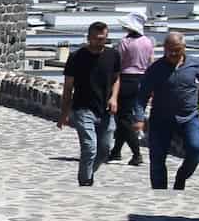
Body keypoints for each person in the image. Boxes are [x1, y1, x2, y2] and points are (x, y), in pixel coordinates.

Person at [137, 30, 199, 191]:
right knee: (157, 158)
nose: (173, 53)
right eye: (169, 50)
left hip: (189, 117)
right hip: (161, 119)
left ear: (184, 47)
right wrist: (139, 118)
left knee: (195, 149)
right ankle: (160, 192)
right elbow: (142, 95)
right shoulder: (155, 68)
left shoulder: (195, 65)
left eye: (177, 49)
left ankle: (181, 178)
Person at [59, 21, 121, 186]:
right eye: (95, 38)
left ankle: (88, 173)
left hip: (105, 110)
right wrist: (64, 113)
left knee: (104, 150)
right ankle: (85, 181)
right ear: (88, 37)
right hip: (83, 108)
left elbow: (116, 79)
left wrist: (114, 97)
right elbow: (68, 88)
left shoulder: (113, 55)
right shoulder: (76, 57)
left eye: (102, 38)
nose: (99, 42)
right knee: (89, 147)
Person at [112, 11, 154, 167]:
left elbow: (118, 62)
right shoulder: (148, 42)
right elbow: (151, 62)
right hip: (142, 80)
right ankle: (116, 151)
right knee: (128, 116)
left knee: (123, 118)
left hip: (127, 79)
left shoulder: (124, 42)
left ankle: (136, 154)